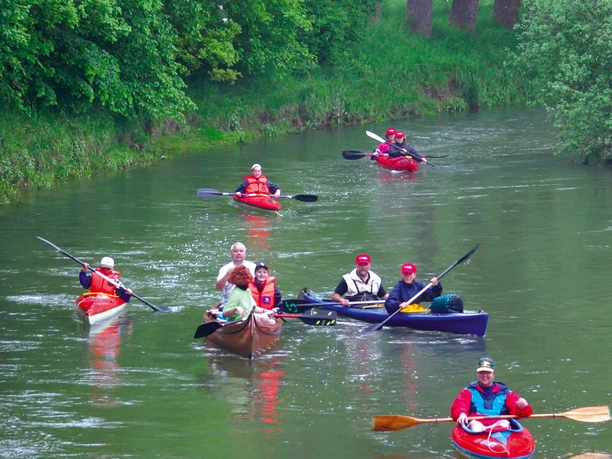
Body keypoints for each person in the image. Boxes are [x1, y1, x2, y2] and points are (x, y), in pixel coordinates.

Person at [451, 358, 533, 432]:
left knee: (504, 422)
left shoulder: (506, 392)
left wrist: (522, 407)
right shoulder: (468, 391)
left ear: (493, 374)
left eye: (488, 372)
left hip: (500, 424)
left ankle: (494, 435)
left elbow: (520, 413)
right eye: (481, 372)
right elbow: (460, 404)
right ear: (477, 374)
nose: (484, 375)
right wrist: (461, 413)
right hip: (476, 423)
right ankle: (484, 435)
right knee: (475, 426)